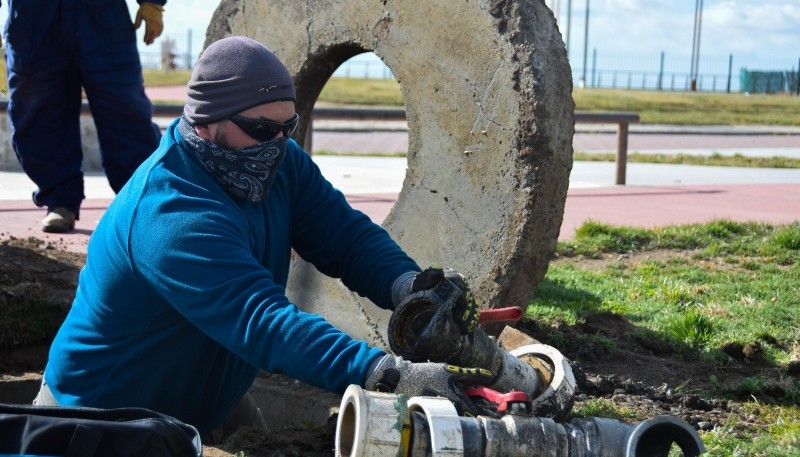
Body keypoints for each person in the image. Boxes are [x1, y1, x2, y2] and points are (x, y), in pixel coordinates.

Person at [33, 36, 492, 444]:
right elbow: (264, 322)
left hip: (206, 405)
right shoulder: (170, 212)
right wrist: (388, 375)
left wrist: (411, 288)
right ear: (206, 122)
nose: (277, 142)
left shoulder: (279, 161)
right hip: (103, 422)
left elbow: (345, 237)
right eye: (262, 130)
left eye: (287, 127)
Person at [1, 0, 166, 233]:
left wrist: (152, 2)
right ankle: (60, 202)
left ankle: (143, 204)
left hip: (101, 15)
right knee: (40, 116)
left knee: (126, 112)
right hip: (34, 18)